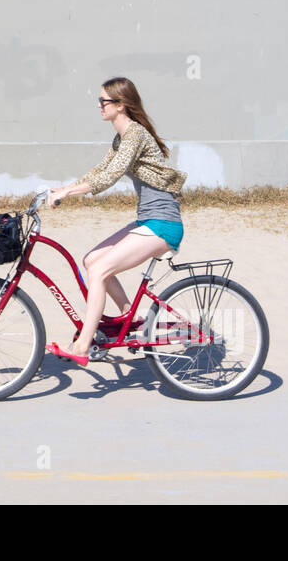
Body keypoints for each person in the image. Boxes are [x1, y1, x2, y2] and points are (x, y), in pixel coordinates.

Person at [45, 77, 187, 365]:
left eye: (104, 101)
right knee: (91, 259)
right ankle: (129, 320)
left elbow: (110, 177)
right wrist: (64, 188)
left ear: (121, 105)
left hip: (163, 223)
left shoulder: (135, 134)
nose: (99, 106)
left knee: (98, 272)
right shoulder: (121, 137)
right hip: (148, 219)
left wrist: (69, 192)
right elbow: (99, 170)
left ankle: (83, 346)